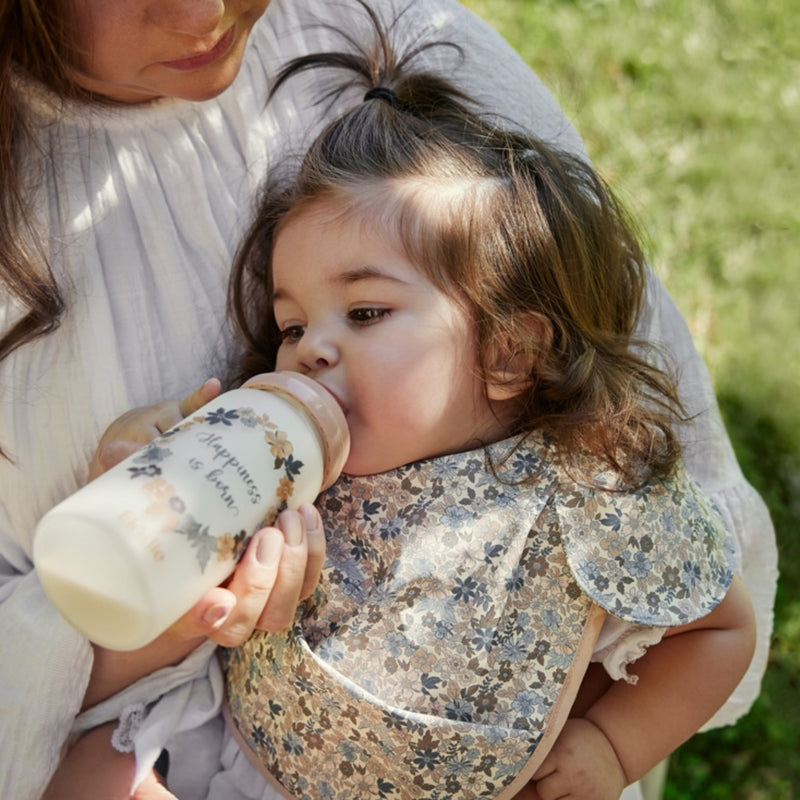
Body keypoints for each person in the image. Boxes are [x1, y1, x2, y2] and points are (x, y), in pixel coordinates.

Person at [0, 0, 776, 798]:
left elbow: (722, 626)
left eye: (365, 313)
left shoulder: (586, 489)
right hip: (237, 762)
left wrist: (613, 746)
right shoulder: (290, 472)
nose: (309, 350)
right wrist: (152, 492)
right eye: (291, 323)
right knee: (96, 775)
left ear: (511, 349)